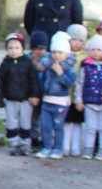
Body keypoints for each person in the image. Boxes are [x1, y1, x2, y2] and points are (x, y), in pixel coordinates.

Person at [0, 33, 40, 156]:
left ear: (22, 48)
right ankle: (13, 143)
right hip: (10, 99)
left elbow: (33, 80)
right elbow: (0, 82)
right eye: (10, 48)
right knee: (11, 122)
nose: (14, 51)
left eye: (17, 48)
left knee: (26, 122)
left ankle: (24, 144)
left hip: (25, 99)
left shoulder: (28, 63)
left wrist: (34, 95)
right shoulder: (5, 64)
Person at [35, 32, 77, 160]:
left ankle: (58, 148)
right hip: (47, 101)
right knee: (46, 126)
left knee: (58, 126)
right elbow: (43, 81)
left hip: (61, 103)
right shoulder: (48, 65)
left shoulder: (70, 68)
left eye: (60, 52)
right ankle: (47, 147)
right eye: (54, 52)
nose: (57, 55)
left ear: (67, 54)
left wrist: (60, 74)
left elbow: (70, 84)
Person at [76, 35, 102, 161]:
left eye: (99, 50)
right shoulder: (86, 66)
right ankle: (88, 147)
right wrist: (78, 99)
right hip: (89, 102)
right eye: (93, 49)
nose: (96, 53)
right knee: (90, 127)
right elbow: (80, 84)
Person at [63, 24, 88, 156]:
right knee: (66, 121)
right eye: (74, 39)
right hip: (66, 94)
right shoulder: (64, 54)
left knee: (78, 122)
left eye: (80, 40)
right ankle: (65, 145)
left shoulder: (86, 57)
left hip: (79, 96)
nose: (77, 43)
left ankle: (76, 147)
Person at [28, 30, 49, 151]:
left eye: (42, 48)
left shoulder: (48, 59)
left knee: (44, 119)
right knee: (33, 118)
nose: (39, 52)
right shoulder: (28, 59)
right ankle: (34, 138)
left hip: (46, 94)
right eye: (36, 48)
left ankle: (44, 139)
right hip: (32, 94)